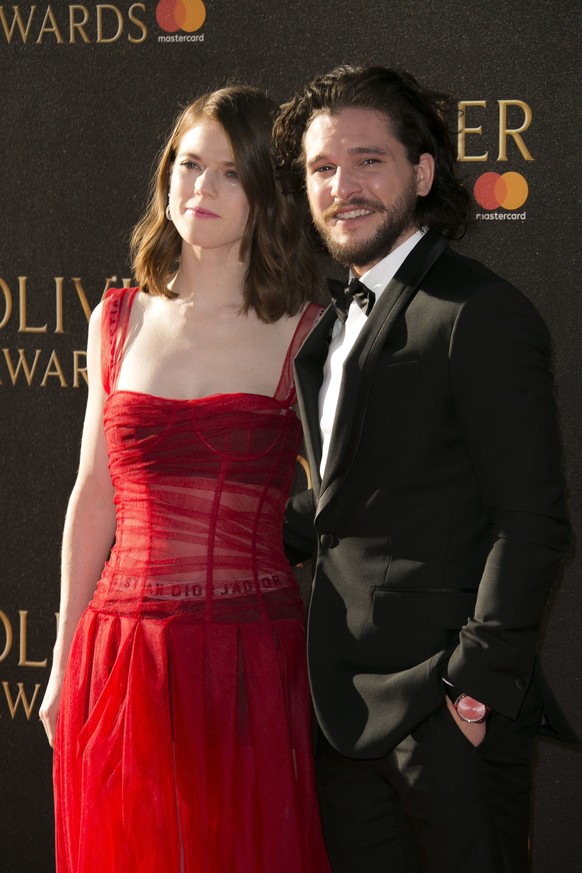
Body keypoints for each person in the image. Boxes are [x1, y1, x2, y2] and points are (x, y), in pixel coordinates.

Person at [272, 65, 575, 873]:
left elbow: (532, 522)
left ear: (424, 172)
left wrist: (468, 694)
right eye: (323, 169)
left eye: (369, 160)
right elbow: (353, 500)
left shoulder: (481, 314)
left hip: (444, 721)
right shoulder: (329, 328)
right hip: (342, 716)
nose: (345, 186)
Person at [39, 85, 331, 873]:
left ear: (268, 191)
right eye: (189, 165)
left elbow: (350, 500)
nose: (200, 189)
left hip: (250, 664)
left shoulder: (309, 331)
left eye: (230, 173)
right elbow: (92, 493)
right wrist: (63, 657)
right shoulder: (116, 319)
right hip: (122, 652)